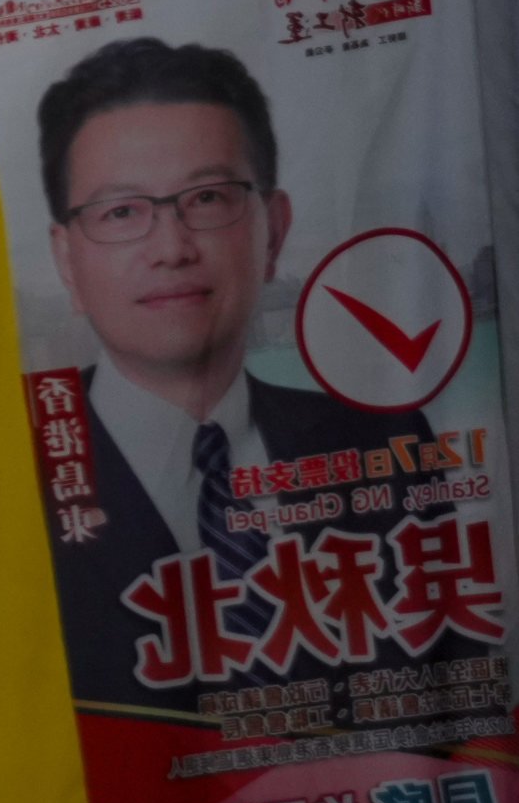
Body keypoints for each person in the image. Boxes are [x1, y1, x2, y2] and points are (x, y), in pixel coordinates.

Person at [30, 38, 433, 713]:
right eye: (121, 212)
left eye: (208, 197)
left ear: (272, 232)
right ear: (66, 261)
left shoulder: (385, 443)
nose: (170, 249)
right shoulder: (8, 469)